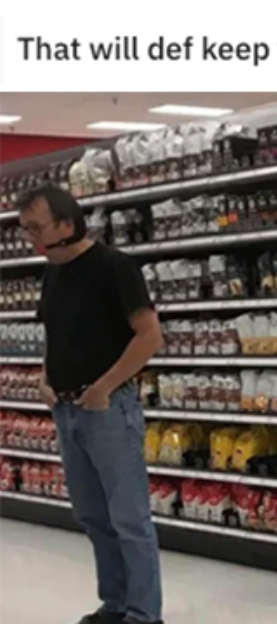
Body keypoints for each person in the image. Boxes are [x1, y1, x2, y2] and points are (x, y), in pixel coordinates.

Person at [17, 185, 165, 624]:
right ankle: (115, 604)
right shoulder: (53, 273)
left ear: (66, 224)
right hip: (66, 410)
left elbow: (149, 336)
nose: (30, 238)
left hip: (108, 410)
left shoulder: (114, 267)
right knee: (93, 516)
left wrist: (104, 387)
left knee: (128, 518)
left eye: (35, 228)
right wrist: (45, 377)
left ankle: (144, 614)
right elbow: (54, 334)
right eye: (25, 229)